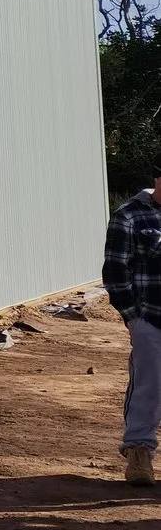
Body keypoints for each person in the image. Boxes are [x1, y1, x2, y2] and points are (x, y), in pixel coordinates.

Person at [101, 167, 161, 486]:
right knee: (148, 386)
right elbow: (114, 270)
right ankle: (139, 452)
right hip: (151, 318)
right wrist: (133, 318)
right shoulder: (129, 216)